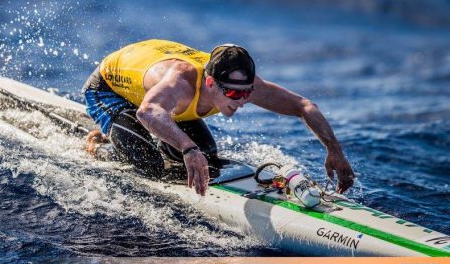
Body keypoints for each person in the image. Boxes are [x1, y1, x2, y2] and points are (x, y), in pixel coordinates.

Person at [82, 39, 354, 197]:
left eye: (247, 93)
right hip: (110, 89)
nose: (242, 101)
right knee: (148, 161)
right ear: (210, 83)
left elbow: (304, 105)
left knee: (208, 154)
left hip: (158, 95)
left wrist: (335, 150)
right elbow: (148, 111)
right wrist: (187, 148)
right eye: (234, 93)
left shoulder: (239, 86)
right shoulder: (181, 83)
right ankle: (104, 143)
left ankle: (154, 136)